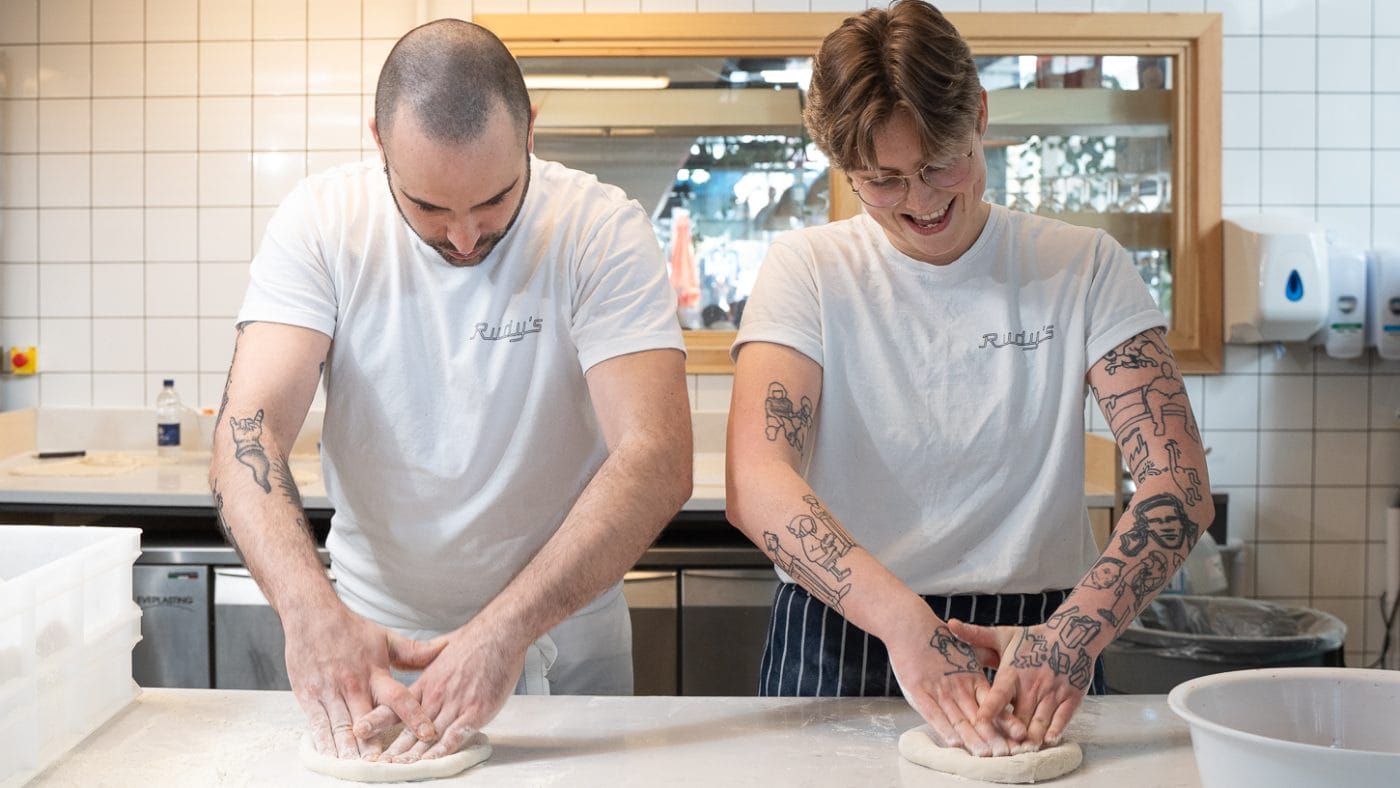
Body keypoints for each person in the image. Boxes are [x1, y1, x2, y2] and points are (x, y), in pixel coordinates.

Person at [724, 0, 1212, 758]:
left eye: (940, 163)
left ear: (980, 115)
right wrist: (903, 621)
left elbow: (1176, 486)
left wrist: (1074, 633)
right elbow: (758, 480)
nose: (921, 202)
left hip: (1041, 637)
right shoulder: (808, 271)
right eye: (882, 181)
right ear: (844, 168)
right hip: (847, 627)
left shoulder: (1081, 267)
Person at [208, 19, 692, 765]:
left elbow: (655, 454)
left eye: (494, 203)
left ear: (530, 130)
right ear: (379, 142)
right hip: (376, 650)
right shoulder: (323, 225)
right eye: (430, 209)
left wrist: (504, 629)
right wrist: (311, 615)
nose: (464, 239)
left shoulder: (599, 231)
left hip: (564, 637)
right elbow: (251, 427)